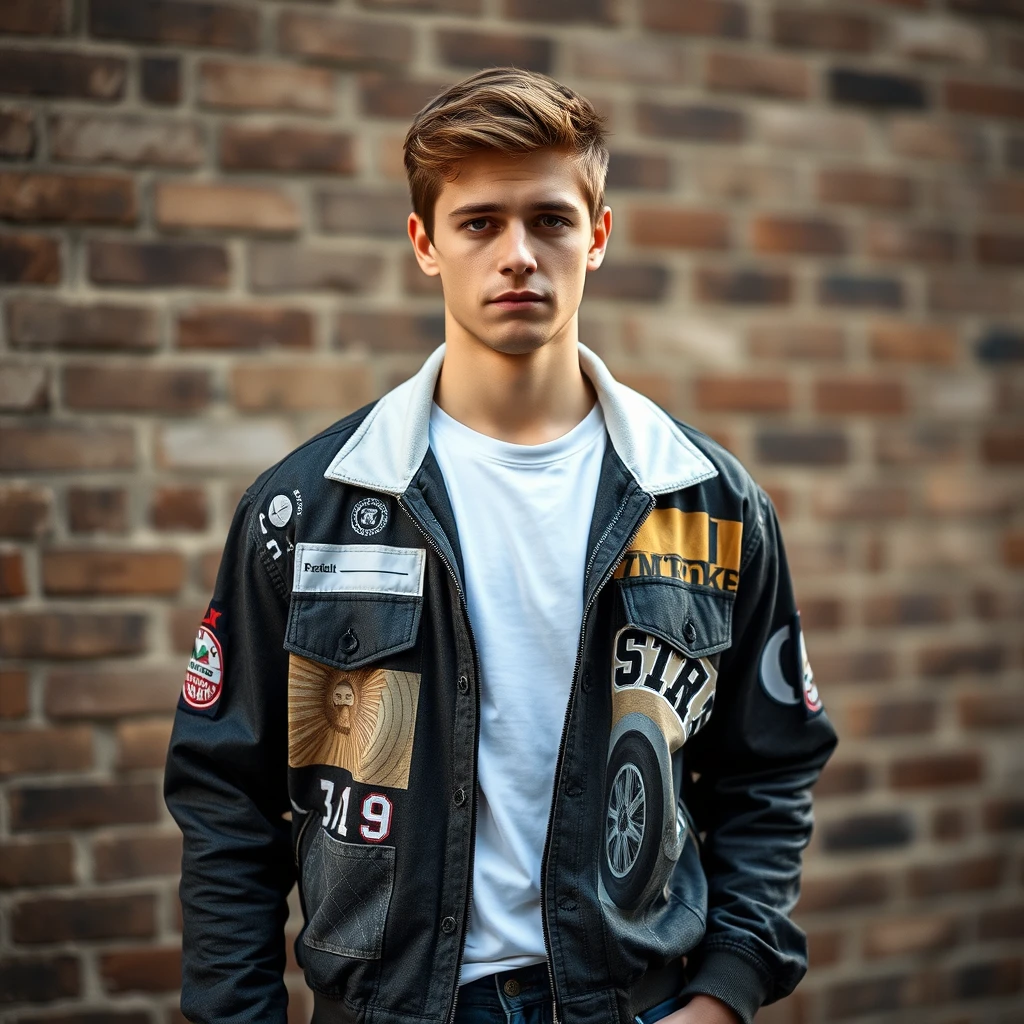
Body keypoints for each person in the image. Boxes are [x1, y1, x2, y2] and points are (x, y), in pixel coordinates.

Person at [165, 67, 837, 1024]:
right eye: (479, 223)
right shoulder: (305, 508)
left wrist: (724, 995)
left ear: (598, 236)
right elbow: (227, 800)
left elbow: (770, 771)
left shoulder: (709, 504)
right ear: (424, 245)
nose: (518, 254)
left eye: (551, 220)